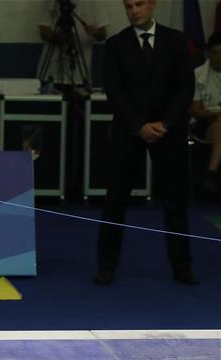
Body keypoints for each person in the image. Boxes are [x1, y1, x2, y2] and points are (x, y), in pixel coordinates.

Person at [95, 0, 197, 286]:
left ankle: (182, 267)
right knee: (115, 199)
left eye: (139, 4)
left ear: (153, 5)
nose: (134, 11)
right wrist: (139, 125)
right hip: (130, 130)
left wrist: (165, 123)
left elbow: (185, 87)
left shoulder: (175, 41)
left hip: (169, 130)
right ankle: (106, 266)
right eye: (129, 6)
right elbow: (114, 91)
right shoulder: (116, 45)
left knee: (175, 201)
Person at [191, 32, 221, 195]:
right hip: (206, 122)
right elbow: (195, 109)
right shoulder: (198, 74)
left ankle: (211, 172)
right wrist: (212, 113)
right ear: (209, 53)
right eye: (215, 53)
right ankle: (211, 172)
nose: (219, 57)